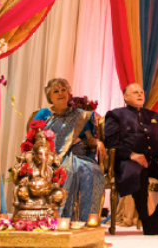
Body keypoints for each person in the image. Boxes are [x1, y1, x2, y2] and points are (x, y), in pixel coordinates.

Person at [104, 83, 158, 235]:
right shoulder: (115, 115)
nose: (140, 95)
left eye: (141, 92)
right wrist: (131, 154)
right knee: (139, 174)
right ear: (126, 97)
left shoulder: (154, 116)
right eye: (135, 92)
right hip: (129, 161)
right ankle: (146, 220)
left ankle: (155, 217)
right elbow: (111, 142)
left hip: (154, 161)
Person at [32, 78, 106, 222]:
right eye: (56, 91)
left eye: (63, 90)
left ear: (68, 93)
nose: (60, 93)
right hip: (48, 156)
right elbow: (33, 136)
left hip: (76, 154)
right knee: (64, 171)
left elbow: (89, 139)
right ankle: (56, 219)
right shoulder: (43, 114)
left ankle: (86, 221)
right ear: (50, 97)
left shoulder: (80, 115)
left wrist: (98, 143)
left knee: (92, 172)